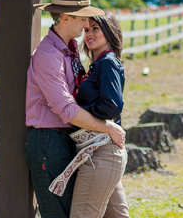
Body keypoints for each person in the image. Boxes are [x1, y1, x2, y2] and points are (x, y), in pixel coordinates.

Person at [25, 0, 126, 218]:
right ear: (65, 17)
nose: (85, 26)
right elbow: (67, 109)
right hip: (49, 139)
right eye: (82, 20)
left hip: (68, 139)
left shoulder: (69, 49)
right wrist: (108, 126)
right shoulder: (49, 55)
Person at [67, 12, 130, 218]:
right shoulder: (98, 64)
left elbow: (112, 107)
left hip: (102, 153)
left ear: (110, 32)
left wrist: (78, 111)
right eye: (86, 30)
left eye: (95, 28)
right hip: (103, 151)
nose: (89, 34)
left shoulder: (106, 63)